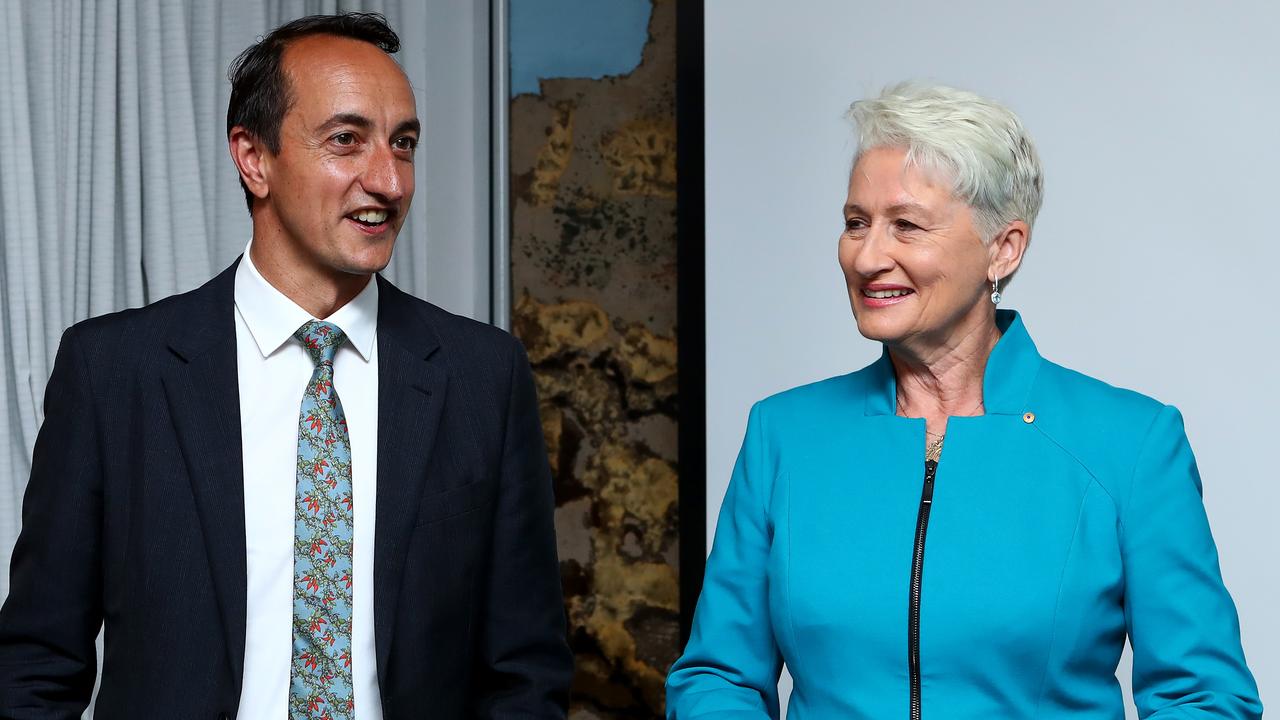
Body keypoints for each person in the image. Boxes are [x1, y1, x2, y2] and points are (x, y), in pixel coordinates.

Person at [0, 13, 572, 719]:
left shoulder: (483, 377)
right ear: (254, 158)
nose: (389, 181)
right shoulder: (114, 371)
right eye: (346, 141)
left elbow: (526, 671)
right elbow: (35, 662)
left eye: (404, 145)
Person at [666, 82, 1261, 718]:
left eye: (907, 226)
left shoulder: (1131, 441)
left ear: (1002, 248)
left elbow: (1203, 697)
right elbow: (717, 677)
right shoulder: (782, 434)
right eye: (855, 223)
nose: (868, 257)